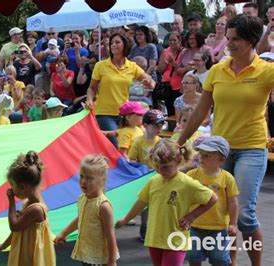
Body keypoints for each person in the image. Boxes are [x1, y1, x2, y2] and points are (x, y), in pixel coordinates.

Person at [177, 15, 274, 266]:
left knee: (244, 215)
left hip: (251, 148)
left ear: (253, 41)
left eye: (236, 40)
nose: (229, 44)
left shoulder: (267, 71)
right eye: (228, 38)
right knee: (219, 211)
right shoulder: (217, 70)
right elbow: (201, 110)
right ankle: (230, 263)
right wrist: (180, 140)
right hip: (218, 150)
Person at [117, 138, 217, 266]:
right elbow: (141, 202)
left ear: (178, 161)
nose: (160, 171)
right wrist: (126, 219)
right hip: (155, 238)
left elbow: (212, 198)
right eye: (157, 167)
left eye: (165, 167)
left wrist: (192, 216)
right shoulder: (153, 181)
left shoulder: (187, 183)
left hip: (176, 239)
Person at [86, 33, 155, 147]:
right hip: (104, 113)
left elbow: (151, 83)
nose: (113, 45)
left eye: (117, 42)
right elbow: (92, 88)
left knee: (127, 144)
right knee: (117, 144)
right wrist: (89, 100)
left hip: (124, 114)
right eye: (111, 43)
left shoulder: (132, 66)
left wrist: (149, 83)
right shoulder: (101, 65)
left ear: (125, 45)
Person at [0, 151, 56, 266]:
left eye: (12, 185)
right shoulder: (28, 203)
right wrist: (3, 246)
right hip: (26, 255)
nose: (11, 189)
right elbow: (18, 230)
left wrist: (11, 201)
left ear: (22, 187)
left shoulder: (36, 209)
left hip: (31, 259)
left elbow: (15, 226)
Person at [54, 155, 118, 265]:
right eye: (82, 176)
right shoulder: (82, 198)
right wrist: (64, 233)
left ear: (102, 179)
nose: (83, 181)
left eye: (89, 178)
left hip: (99, 258)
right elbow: (81, 218)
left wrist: (112, 262)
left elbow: (110, 236)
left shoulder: (103, 206)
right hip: (86, 254)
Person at [186, 136, 239, 266]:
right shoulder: (192, 175)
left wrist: (233, 223)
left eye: (206, 156)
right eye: (200, 154)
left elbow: (233, 202)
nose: (200, 158)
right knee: (193, 256)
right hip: (195, 225)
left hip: (219, 227)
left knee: (220, 259)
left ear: (221, 160)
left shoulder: (227, 178)